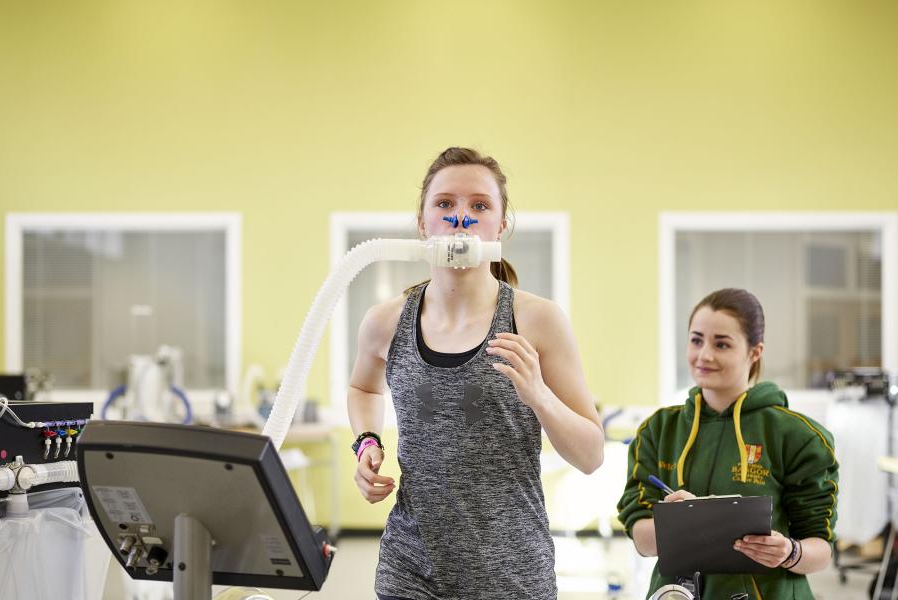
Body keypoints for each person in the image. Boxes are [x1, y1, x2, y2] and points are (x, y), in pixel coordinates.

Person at [347, 147, 605, 600]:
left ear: (502, 224)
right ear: (422, 221)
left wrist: (539, 396)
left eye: (479, 205)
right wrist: (367, 443)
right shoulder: (385, 321)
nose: (461, 218)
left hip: (511, 573)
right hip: (410, 566)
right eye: (444, 204)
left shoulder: (537, 320)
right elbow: (362, 387)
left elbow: (591, 455)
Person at [617, 288, 839, 599]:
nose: (704, 355)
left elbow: (821, 547)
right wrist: (682, 526)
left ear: (754, 352)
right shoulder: (658, 430)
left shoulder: (799, 437)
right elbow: (640, 536)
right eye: (696, 340)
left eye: (721, 344)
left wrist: (789, 552)